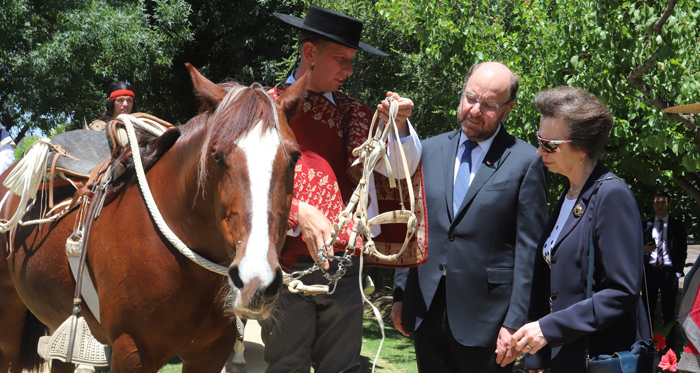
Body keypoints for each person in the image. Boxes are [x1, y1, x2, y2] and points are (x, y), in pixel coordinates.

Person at [261, 5, 421, 373]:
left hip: (345, 264)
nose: (349, 70)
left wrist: (398, 128)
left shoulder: (359, 112)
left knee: (343, 368)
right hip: (285, 262)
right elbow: (242, 189)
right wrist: (296, 211)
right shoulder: (265, 109)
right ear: (309, 53)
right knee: (287, 366)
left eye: (351, 61)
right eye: (341, 59)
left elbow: (397, 170)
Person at [392, 61, 548, 373]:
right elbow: (412, 225)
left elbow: (529, 251)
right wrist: (400, 295)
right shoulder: (428, 150)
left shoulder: (527, 161)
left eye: (489, 105)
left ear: (508, 109)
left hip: (488, 323)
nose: (475, 111)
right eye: (470, 98)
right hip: (425, 310)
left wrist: (515, 322)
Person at [510, 87, 650, 372]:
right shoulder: (569, 195)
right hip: (565, 359)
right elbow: (549, 285)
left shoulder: (612, 195)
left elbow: (621, 291)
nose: (539, 151)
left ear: (582, 148)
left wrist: (549, 329)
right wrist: (538, 358)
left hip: (599, 358)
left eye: (550, 145)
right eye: (539, 140)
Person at [643, 191, 687, 351]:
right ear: (653, 205)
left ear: (669, 204)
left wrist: (677, 271)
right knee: (648, 310)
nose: (659, 206)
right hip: (650, 273)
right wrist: (642, 250)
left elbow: (682, 249)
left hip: (669, 273)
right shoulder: (645, 225)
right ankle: (646, 345)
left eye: (662, 203)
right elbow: (633, 246)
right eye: (656, 203)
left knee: (669, 312)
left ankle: (670, 348)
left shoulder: (677, 225)